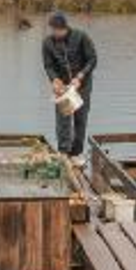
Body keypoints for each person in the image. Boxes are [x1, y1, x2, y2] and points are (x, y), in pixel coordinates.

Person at [41, 11, 97, 164]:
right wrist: (54, 79)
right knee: (63, 118)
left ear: (64, 28)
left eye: (56, 29)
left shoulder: (81, 37)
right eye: (52, 29)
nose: (54, 32)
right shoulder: (47, 43)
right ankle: (64, 152)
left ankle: (76, 153)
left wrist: (80, 76)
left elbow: (92, 59)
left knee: (80, 118)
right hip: (63, 86)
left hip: (82, 84)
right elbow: (48, 65)